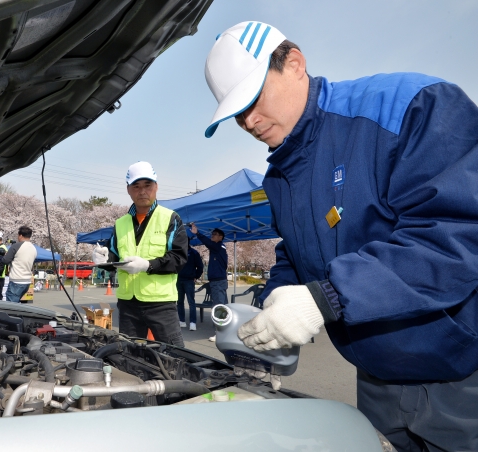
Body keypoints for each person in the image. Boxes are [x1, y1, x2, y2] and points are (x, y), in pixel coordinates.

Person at [203, 21, 478, 450]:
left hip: (460, 374)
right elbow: (295, 253)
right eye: (237, 113)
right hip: (375, 375)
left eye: (254, 98)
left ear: (294, 63)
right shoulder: (279, 175)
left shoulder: (409, 107)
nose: (249, 121)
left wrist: (329, 297)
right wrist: (268, 311)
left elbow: (456, 234)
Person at [107, 161, 188, 346]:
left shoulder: (170, 218)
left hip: (161, 303)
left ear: (156, 187)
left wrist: (148, 265)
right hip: (128, 302)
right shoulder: (120, 223)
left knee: (174, 355)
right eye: (136, 186)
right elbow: (113, 255)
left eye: (147, 185)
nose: (142, 191)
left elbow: (179, 258)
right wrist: (103, 257)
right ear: (128, 189)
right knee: (129, 355)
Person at [189, 224, 228, 341]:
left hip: (218, 281)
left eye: (215, 234)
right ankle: (225, 331)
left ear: (221, 237)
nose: (212, 236)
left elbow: (209, 243)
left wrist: (197, 233)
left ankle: (220, 333)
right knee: (222, 306)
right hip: (217, 281)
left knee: (219, 307)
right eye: (212, 234)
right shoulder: (217, 248)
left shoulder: (219, 247)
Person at [2, 226, 37, 303]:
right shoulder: (33, 248)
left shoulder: (16, 246)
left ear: (20, 235)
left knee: (11, 307)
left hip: (16, 280)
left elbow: (5, 260)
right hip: (27, 281)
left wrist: (5, 255)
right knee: (17, 305)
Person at [176, 238, 203, 331]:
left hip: (189, 280)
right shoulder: (178, 252)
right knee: (179, 302)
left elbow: (200, 266)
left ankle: (192, 322)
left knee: (191, 302)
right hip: (178, 280)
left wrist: (196, 276)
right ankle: (182, 321)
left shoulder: (194, 253)